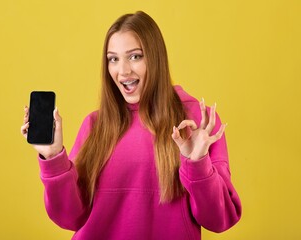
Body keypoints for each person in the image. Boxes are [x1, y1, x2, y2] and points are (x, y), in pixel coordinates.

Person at [21, 11, 241, 240]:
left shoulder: (196, 123)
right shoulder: (95, 125)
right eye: (113, 59)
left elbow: (220, 219)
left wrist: (198, 164)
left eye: (135, 56)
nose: (123, 71)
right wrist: (54, 157)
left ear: (155, 58)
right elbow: (70, 218)